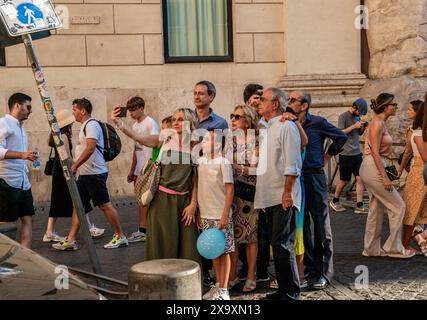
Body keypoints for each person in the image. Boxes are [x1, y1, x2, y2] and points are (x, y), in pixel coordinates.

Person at [111, 107, 202, 266]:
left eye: (180, 120)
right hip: (161, 201)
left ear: (190, 122)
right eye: (174, 119)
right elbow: (137, 137)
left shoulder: (196, 145)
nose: (176, 123)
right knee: (162, 244)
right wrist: (119, 123)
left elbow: (196, 180)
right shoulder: (164, 139)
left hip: (185, 203)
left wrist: (193, 204)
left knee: (187, 247)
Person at [285, 90, 347, 290]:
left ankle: (323, 273)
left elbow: (340, 137)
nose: (289, 102)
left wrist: (327, 157)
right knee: (302, 226)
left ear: (304, 106)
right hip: (295, 179)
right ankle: (309, 267)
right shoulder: (287, 124)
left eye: (293, 100)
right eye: (288, 99)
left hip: (314, 176)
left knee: (321, 223)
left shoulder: (318, 122)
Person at [53, 98, 127, 251]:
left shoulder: (91, 125)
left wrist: (75, 165)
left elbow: (90, 148)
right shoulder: (85, 126)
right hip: (86, 174)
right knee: (78, 206)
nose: (72, 112)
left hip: (94, 173)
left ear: (83, 111)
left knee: (105, 205)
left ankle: (120, 236)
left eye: (74, 110)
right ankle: (71, 239)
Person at [255, 87, 302, 300]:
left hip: (283, 196)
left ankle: (291, 292)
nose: (258, 102)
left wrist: (287, 192)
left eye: (263, 99)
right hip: (271, 196)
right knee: (278, 245)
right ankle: (283, 289)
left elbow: (293, 162)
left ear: (275, 104)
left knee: (283, 245)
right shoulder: (270, 126)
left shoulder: (287, 126)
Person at [360, 93, 415, 258]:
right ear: (385, 106)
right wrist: (384, 177)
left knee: (376, 209)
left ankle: (371, 248)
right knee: (399, 206)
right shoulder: (377, 123)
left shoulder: (380, 122)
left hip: (373, 166)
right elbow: (375, 153)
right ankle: (394, 247)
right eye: (394, 104)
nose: (396, 107)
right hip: (373, 167)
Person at [198, 130, 234, 300]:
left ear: (218, 144)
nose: (203, 142)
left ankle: (224, 289)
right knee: (213, 250)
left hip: (220, 213)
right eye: (203, 140)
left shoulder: (223, 162)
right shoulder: (200, 162)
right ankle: (218, 285)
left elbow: (229, 189)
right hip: (206, 214)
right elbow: (198, 187)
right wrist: (199, 211)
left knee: (224, 250)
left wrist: (225, 215)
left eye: (207, 140)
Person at [227, 105, 260, 293]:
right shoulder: (230, 141)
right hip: (232, 194)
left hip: (250, 195)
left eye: (237, 117)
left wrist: (239, 168)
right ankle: (232, 276)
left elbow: (259, 170)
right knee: (234, 238)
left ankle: (251, 275)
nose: (232, 119)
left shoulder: (257, 142)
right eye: (232, 116)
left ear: (247, 121)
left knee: (251, 237)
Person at [0, 93, 37, 248]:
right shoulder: (4, 123)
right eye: (28, 107)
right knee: (6, 224)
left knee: (27, 218)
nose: (30, 110)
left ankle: (26, 258)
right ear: (17, 105)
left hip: (23, 181)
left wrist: (29, 156)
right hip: (7, 181)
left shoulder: (21, 127)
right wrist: (22, 155)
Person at [123, 96, 160, 243]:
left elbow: (156, 144)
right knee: (141, 199)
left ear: (141, 108)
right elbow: (136, 150)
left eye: (133, 110)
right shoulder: (134, 126)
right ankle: (144, 229)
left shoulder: (150, 123)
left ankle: (143, 230)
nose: (131, 114)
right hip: (140, 168)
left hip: (148, 167)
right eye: (130, 111)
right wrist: (133, 170)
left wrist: (150, 166)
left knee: (146, 199)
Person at [330, 98, 369, 214]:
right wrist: (354, 126)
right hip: (346, 153)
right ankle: (335, 200)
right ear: (355, 107)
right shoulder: (343, 116)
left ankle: (359, 204)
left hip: (357, 153)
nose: (360, 115)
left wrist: (362, 127)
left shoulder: (357, 117)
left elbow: (358, 133)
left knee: (360, 178)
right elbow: (340, 132)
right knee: (344, 180)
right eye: (359, 112)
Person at [399, 100, 427, 251]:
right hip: (421, 171)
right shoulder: (418, 133)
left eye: (410, 109)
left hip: (417, 171)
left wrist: (400, 169)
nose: (407, 112)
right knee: (413, 208)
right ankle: (406, 243)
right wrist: (400, 169)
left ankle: (409, 241)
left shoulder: (414, 131)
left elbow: (407, 153)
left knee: (414, 209)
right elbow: (423, 157)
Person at [43, 110, 75, 242]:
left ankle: (49, 232)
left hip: (57, 170)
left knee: (58, 200)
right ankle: (89, 227)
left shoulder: (56, 135)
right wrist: (76, 167)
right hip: (63, 171)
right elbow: (67, 156)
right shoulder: (64, 136)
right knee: (76, 199)